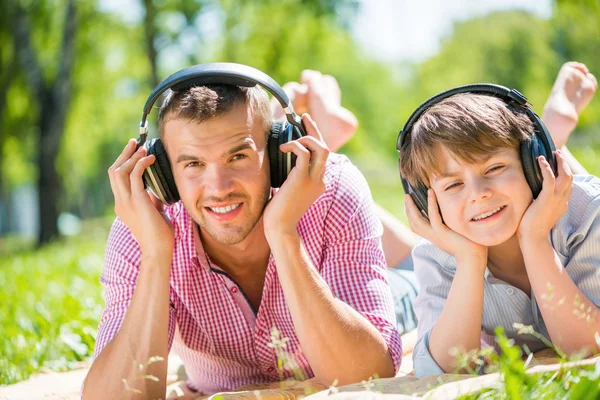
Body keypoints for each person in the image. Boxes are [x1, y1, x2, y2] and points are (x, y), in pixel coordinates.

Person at [82, 64, 402, 399]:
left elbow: (368, 375)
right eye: (193, 164)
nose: (218, 188)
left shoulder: (332, 187)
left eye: (238, 156)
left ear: (281, 155)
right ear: (162, 172)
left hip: (393, 291)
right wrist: (156, 255)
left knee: (415, 258)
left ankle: (321, 134)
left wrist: (282, 235)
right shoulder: (142, 226)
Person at [398, 66, 600, 378]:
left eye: (494, 168)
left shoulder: (585, 214)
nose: (478, 194)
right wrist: (470, 259)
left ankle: (554, 137)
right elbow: (443, 369)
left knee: (564, 176)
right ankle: (553, 132)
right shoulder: (436, 253)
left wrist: (533, 240)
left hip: (561, 189)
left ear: (532, 164)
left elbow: (588, 348)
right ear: (428, 202)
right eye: (453, 185)